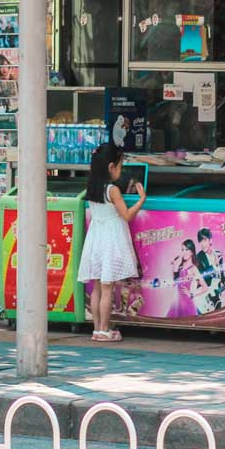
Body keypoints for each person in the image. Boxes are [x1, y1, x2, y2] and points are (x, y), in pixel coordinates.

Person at [79, 143, 146, 342]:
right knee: (108, 287)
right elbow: (126, 215)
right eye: (120, 166)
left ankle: (97, 330)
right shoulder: (112, 190)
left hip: (96, 238)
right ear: (110, 167)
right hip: (110, 239)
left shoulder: (92, 187)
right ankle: (105, 330)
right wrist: (141, 199)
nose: (121, 170)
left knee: (98, 287)